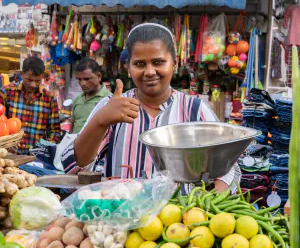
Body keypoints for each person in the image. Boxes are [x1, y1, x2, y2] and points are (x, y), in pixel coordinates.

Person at [62, 22, 241, 192]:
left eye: (158, 62)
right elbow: (74, 166)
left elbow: (229, 169)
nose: (149, 72)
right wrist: (100, 121)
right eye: (140, 64)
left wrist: (209, 201)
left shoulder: (195, 110)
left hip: (179, 221)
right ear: (128, 67)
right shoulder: (112, 106)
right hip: (122, 217)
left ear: (175, 63)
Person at [0, 57, 60, 154]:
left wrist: (44, 151)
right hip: (9, 155)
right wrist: (5, 145)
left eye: (37, 81)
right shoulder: (6, 92)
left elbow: (54, 131)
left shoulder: (49, 99)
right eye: (29, 80)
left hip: (37, 159)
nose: (33, 84)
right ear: (21, 74)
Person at [71, 58, 112, 134]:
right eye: (79, 79)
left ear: (99, 76)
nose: (82, 83)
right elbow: (73, 126)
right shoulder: (77, 99)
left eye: (86, 79)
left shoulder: (110, 100)